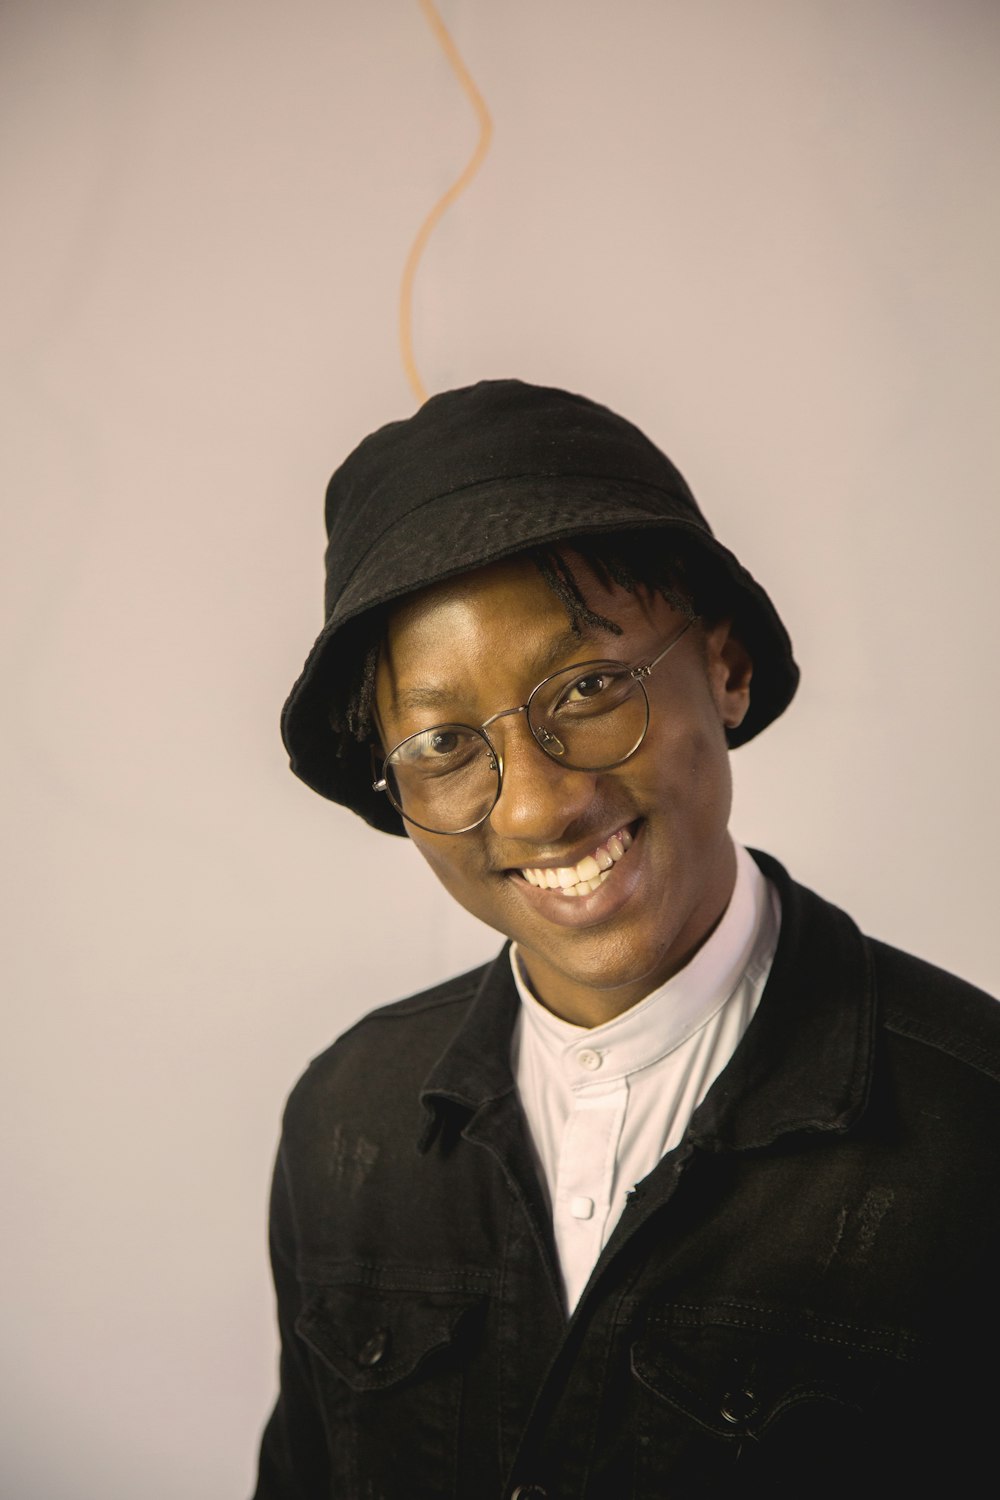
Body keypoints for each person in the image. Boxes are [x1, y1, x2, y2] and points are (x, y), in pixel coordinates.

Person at [253, 380, 1000, 1499]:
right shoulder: (344, 1120)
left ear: (726, 668)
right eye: (446, 743)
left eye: (592, 685)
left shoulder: (972, 1131)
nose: (536, 807)